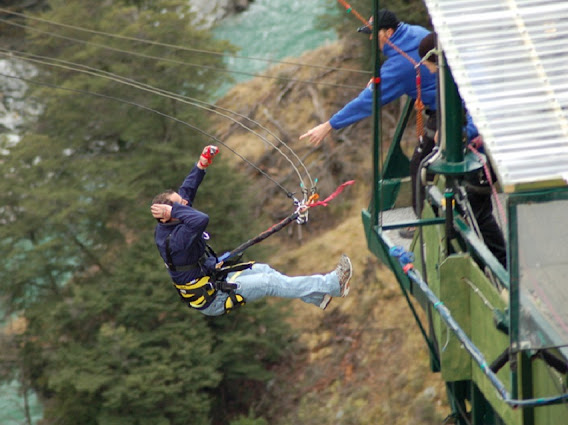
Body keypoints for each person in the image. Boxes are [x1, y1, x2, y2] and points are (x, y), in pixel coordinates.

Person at [151, 145, 353, 316]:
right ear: (167, 214)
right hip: (213, 297)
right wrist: (176, 208)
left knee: (264, 270)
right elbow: (201, 219)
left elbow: (186, 192)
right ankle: (331, 284)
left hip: (214, 276)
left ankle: (317, 296)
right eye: (179, 206)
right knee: (267, 282)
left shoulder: (175, 218)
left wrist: (201, 165)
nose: (185, 204)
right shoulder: (176, 239)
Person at [299, 9, 438, 221]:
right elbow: (399, 66)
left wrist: (329, 125)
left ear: (389, 32)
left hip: (444, 112)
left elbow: (368, 102)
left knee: (420, 165)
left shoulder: (400, 65)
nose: (372, 38)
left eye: (375, 33)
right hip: (451, 100)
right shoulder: (415, 32)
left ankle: (424, 222)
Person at [418, 32, 507, 268]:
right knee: (476, 210)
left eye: (427, 65)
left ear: (435, 59)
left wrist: (463, 133)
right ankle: (492, 261)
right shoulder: (462, 69)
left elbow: (480, 111)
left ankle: (502, 265)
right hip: (482, 143)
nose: (427, 70)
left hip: (483, 148)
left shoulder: (462, 76)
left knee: (480, 211)